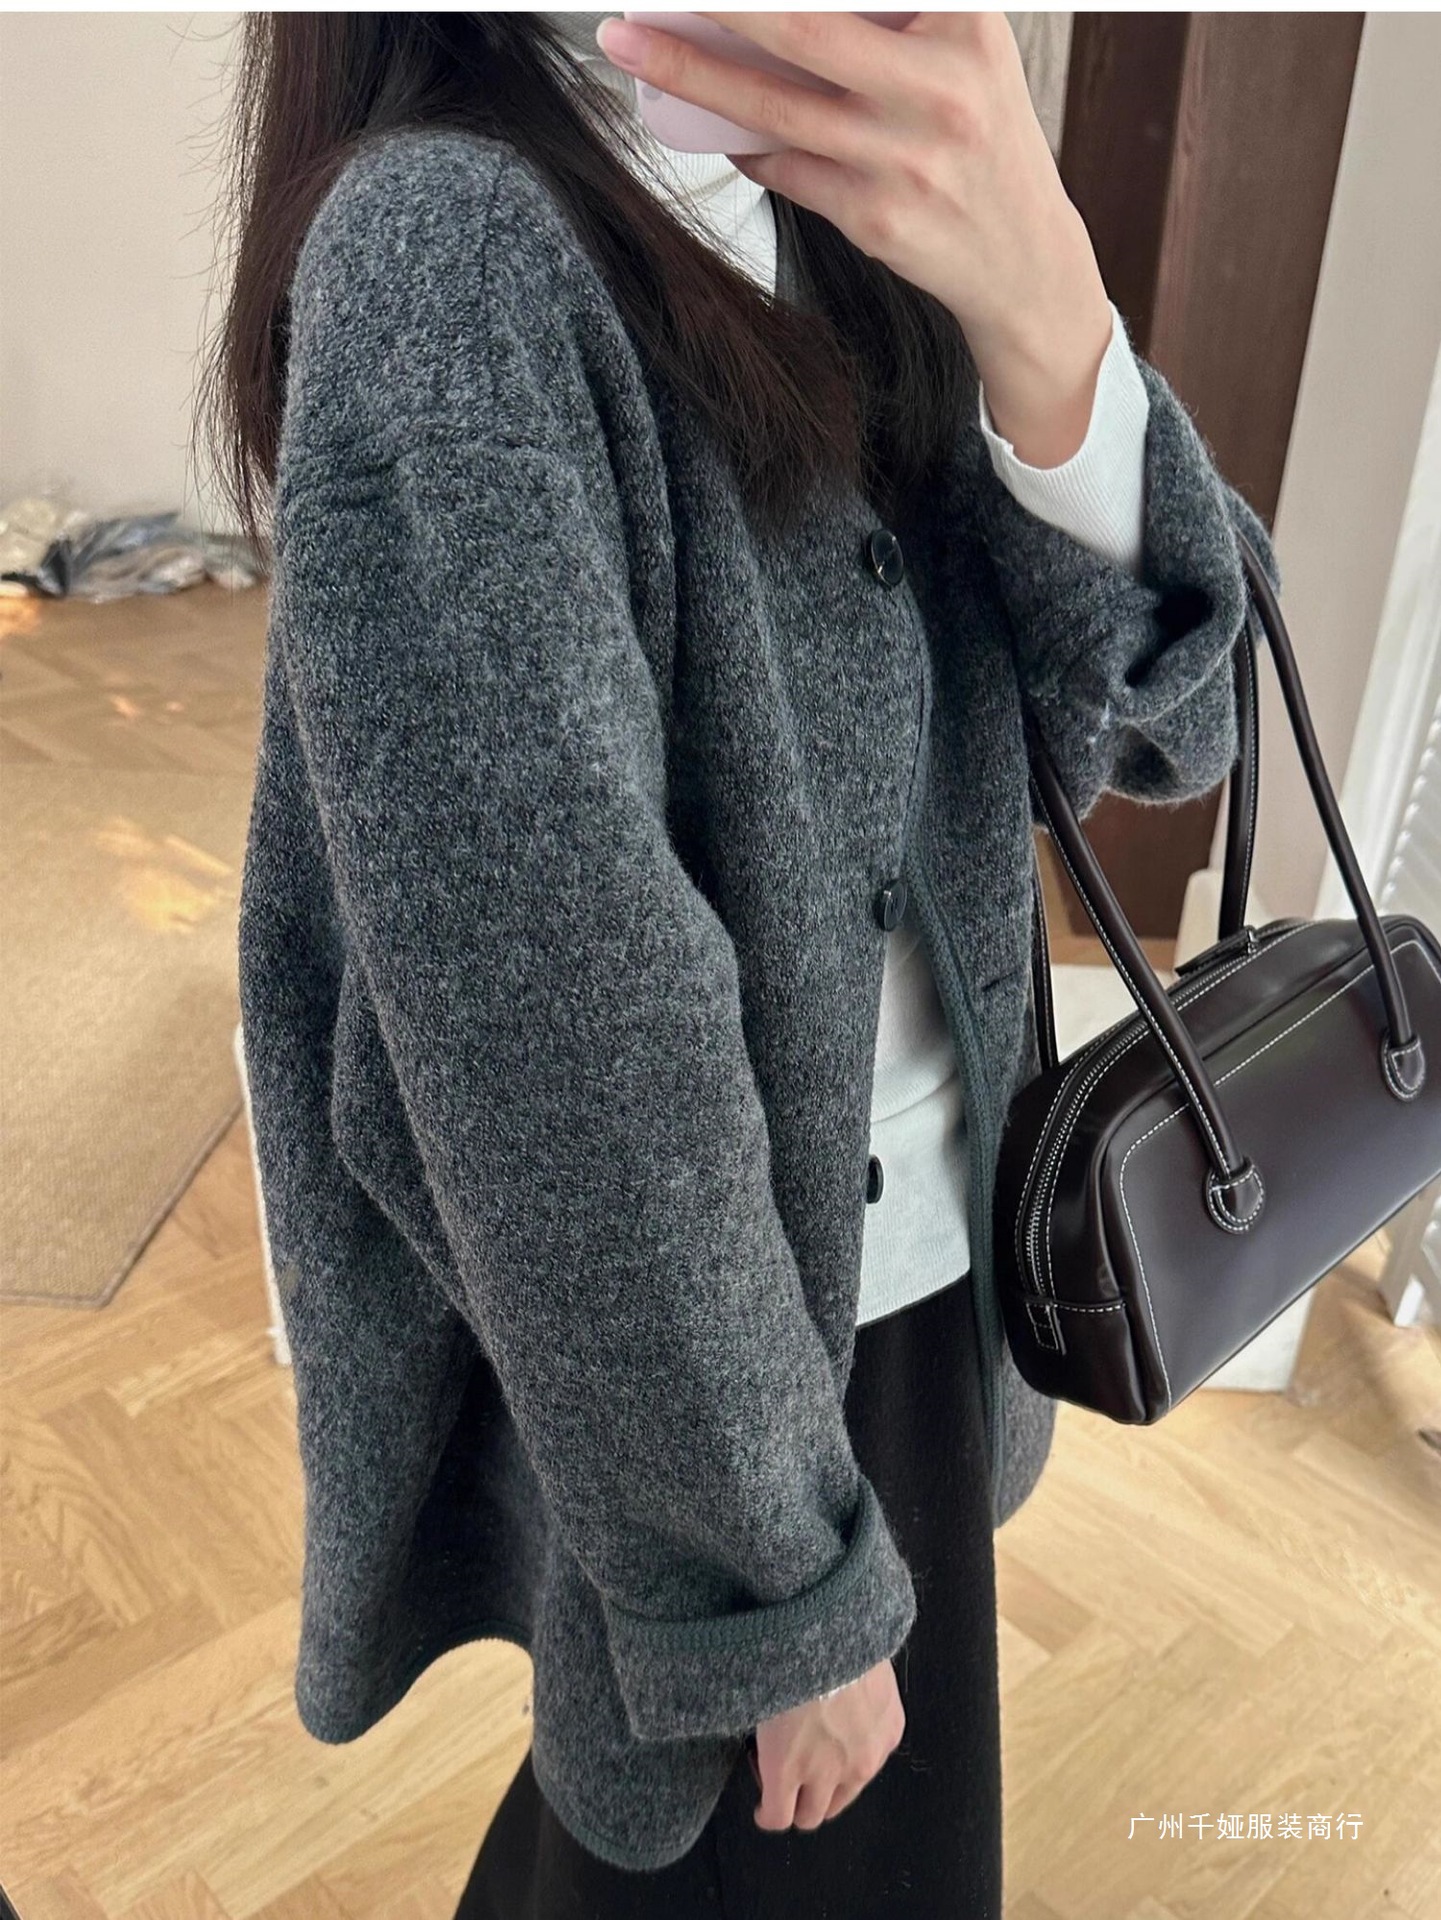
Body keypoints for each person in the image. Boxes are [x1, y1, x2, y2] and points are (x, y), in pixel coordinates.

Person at [209, 13, 1277, 1917]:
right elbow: (560, 1041)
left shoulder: (851, 200)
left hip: (907, 1278)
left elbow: (1171, 727)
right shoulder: (451, 253)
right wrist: (770, 1585)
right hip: (721, 1353)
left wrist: (1049, 316)